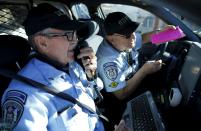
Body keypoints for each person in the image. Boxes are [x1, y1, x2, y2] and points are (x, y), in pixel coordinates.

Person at [1, 4, 129, 131]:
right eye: (68, 34)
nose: (75, 40)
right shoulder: (28, 95)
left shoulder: (71, 65)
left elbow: (94, 99)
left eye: (75, 33)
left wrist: (92, 75)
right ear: (42, 42)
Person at [96, 12, 168, 124]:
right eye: (127, 34)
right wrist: (144, 71)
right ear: (111, 39)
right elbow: (121, 95)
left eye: (133, 31)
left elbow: (144, 38)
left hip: (135, 83)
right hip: (122, 103)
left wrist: (165, 33)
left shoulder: (123, 42)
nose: (133, 36)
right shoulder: (108, 61)